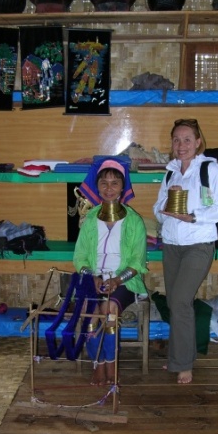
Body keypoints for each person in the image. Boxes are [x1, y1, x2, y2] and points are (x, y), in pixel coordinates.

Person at [153, 119, 218, 384]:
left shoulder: (209, 169)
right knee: (175, 303)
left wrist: (194, 216)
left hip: (199, 244)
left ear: (198, 142)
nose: (181, 145)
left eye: (187, 139)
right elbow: (158, 211)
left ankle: (184, 363)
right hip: (171, 245)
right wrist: (167, 206)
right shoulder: (170, 173)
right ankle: (178, 356)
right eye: (176, 140)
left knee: (179, 301)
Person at [73, 159, 148, 386]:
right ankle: (98, 363)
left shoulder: (134, 221)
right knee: (90, 311)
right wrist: (92, 276)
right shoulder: (90, 220)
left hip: (125, 281)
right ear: (97, 187)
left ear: (123, 188)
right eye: (103, 183)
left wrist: (116, 280)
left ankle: (111, 364)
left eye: (114, 183)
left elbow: (137, 262)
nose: (109, 188)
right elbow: (79, 257)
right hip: (93, 278)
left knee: (109, 309)